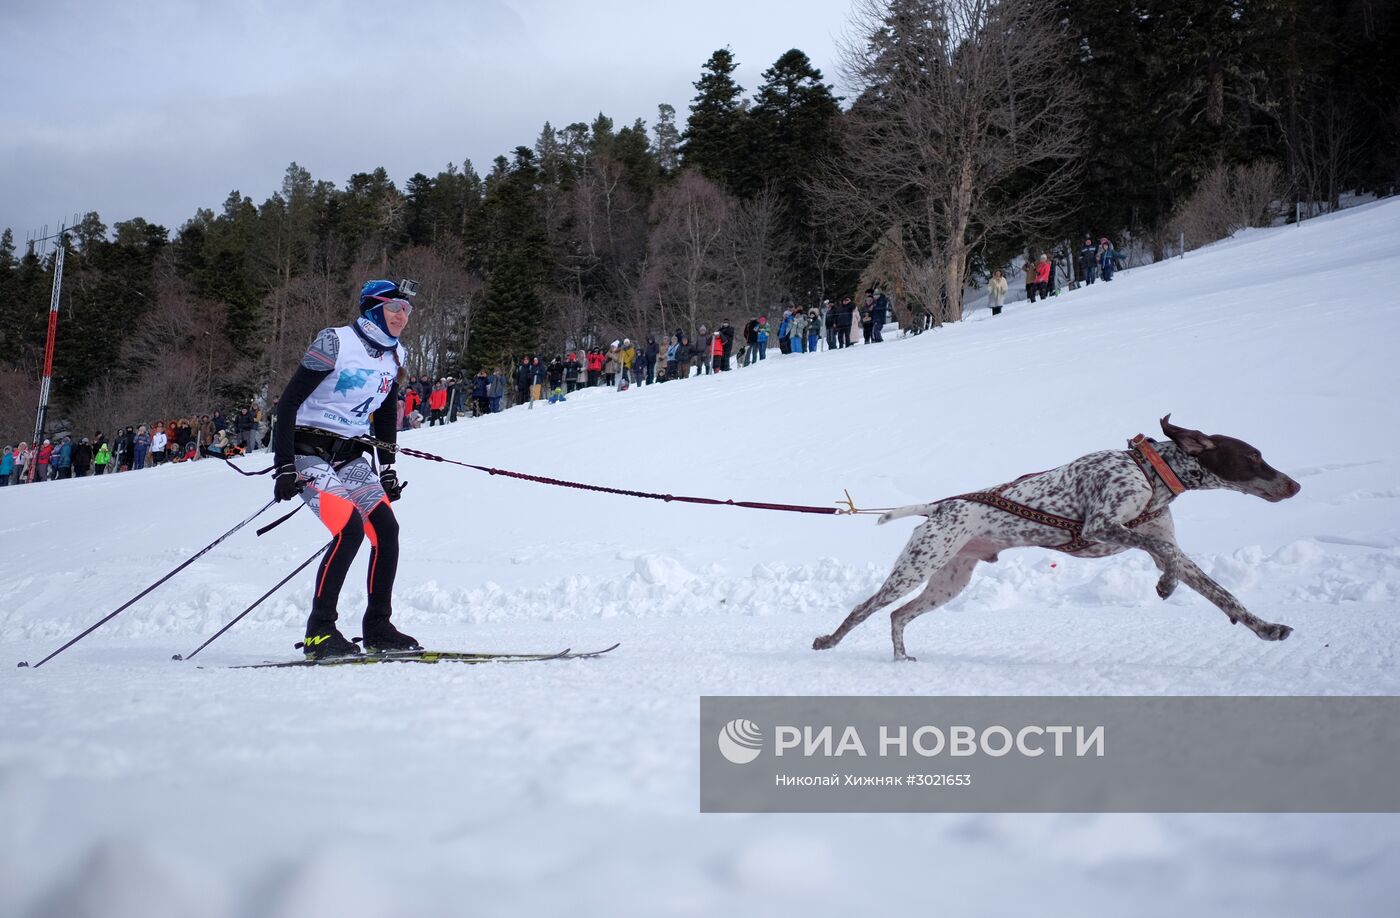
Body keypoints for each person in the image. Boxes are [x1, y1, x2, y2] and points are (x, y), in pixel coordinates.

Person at [271, 278, 418, 659]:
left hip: (350, 456)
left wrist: (387, 467)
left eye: (407, 310)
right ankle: (320, 630)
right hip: (306, 451)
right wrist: (284, 467)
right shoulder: (335, 342)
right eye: (395, 308)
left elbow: (385, 411)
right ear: (373, 310)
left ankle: (378, 627)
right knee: (349, 530)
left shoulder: (396, 354)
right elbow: (286, 405)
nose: (403, 316)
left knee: (386, 528)